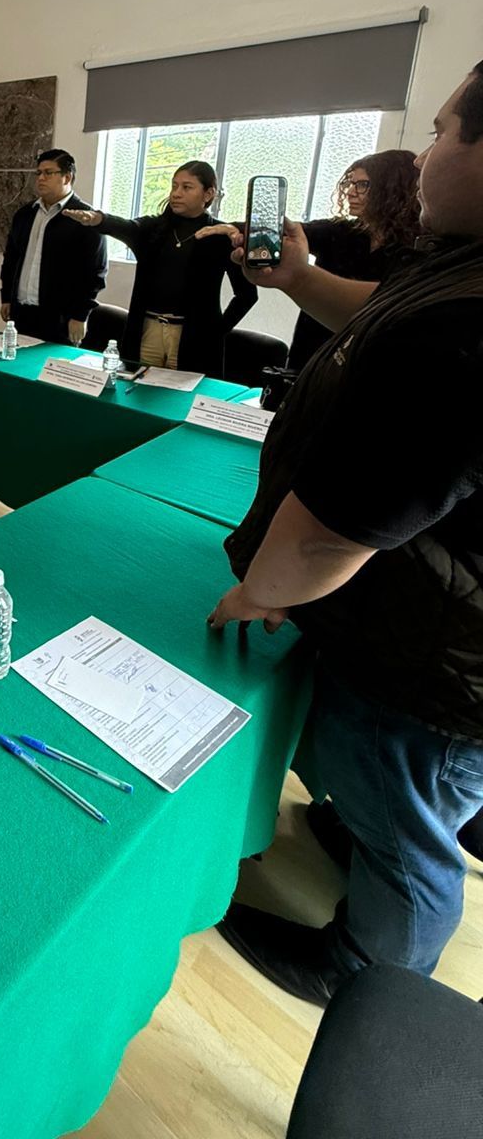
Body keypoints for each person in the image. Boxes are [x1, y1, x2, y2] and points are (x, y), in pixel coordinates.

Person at [207, 61, 483, 1006]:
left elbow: (335, 530)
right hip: (422, 628)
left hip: (438, 657)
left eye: (443, 131)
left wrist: (262, 589)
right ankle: (356, 833)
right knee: (386, 788)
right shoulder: (458, 267)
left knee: (413, 829)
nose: (427, 151)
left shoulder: (467, 330)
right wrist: (297, 279)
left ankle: (366, 978)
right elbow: (380, 318)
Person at [196, 150, 421, 370]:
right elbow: (286, 234)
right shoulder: (341, 231)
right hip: (310, 356)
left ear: (391, 189)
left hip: (367, 364)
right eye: (350, 184)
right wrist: (233, 228)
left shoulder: (417, 249)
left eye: (362, 185)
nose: (351, 192)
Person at [66, 161, 256, 374]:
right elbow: (125, 226)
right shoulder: (154, 229)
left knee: (184, 393)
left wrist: (217, 330)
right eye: (174, 186)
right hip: (148, 331)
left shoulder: (220, 235)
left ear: (208, 193)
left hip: (194, 339)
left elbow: (247, 295)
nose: (176, 193)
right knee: (139, 388)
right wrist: (98, 219)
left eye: (187, 187)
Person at [0, 149, 107, 344]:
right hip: (21, 312)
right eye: (39, 173)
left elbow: (95, 273)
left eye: (48, 173)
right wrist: (6, 296)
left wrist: (80, 315)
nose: (41, 178)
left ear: (67, 177)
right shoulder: (25, 214)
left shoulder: (86, 218)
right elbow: (11, 259)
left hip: (61, 318)